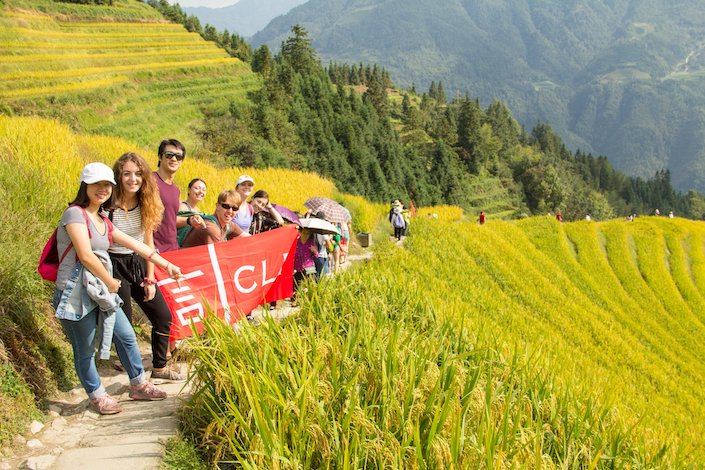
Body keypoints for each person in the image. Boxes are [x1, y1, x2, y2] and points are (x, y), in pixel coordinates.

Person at [54, 162, 183, 415]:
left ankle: (139, 384)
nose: (103, 189)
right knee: (85, 349)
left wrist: (167, 265)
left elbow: (140, 246)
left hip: (99, 291)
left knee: (126, 335)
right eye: (97, 184)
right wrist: (112, 282)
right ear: (85, 186)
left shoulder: (102, 219)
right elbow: (86, 256)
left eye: (107, 185)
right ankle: (97, 395)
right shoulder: (74, 214)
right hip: (76, 293)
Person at [108, 153, 183, 382]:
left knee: (163, 316)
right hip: (113, 264)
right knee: (125, 326)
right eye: (127, 173)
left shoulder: (146, 203)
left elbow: (148, 242)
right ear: (118, 176)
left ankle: (159, 367)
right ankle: (135, 377)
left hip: (139, 262)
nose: (133, 179)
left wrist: (150, 278)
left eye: (138, 174)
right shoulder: (108, 204)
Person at [153, 139, 204, 253]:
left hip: (172, 248)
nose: (174, 159)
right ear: (160, 157)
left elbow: (170, 220)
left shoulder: (175, 189)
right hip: (154, 250)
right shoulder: (151, 181)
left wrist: (189, 221)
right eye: (169, 155)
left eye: (178, 156)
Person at [181, 190, 249, 247]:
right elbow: (217, 257)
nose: (230, 211)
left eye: (235, 208)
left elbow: (252, 238)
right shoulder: (210, 227)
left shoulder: (228, 225)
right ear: (217, 206)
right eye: (226, 206)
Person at [177, 178, 207, 247]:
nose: (201, 192)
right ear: (189, 190)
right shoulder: (182, 207)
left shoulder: (199, 211)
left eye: (203, 190)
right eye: (197, 188)